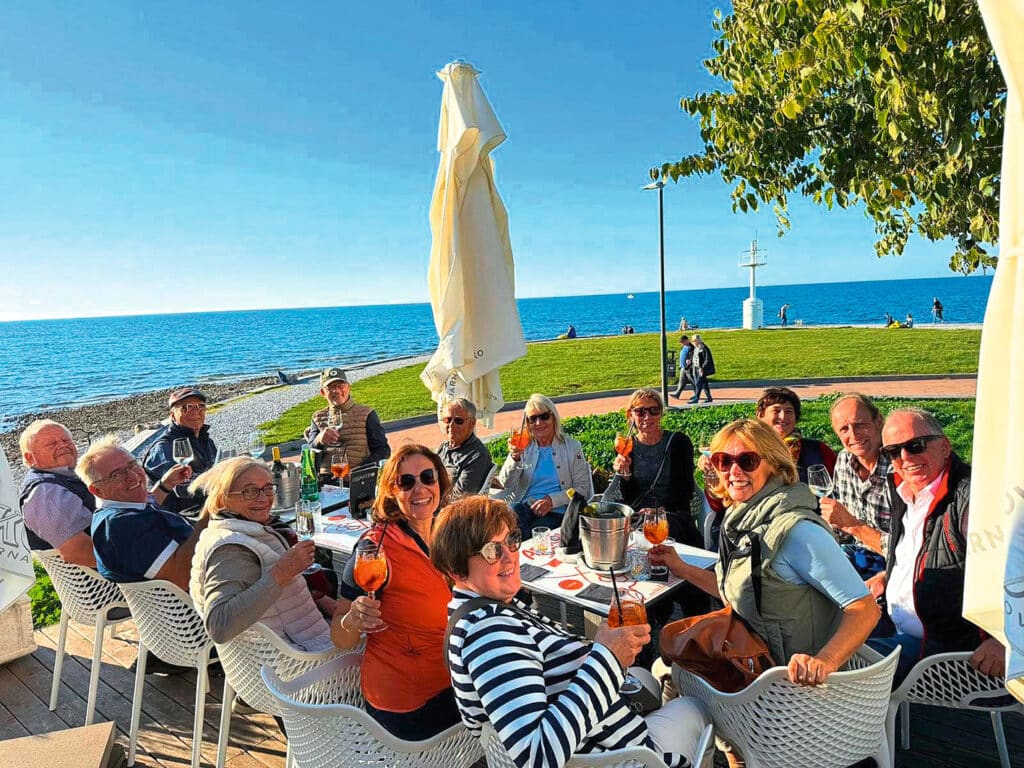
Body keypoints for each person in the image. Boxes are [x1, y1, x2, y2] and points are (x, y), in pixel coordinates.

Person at [433, 496, 710, 768]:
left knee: (643, 678)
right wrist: (608, 656)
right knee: (695, 708)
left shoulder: (481, 611)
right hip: (625, 757)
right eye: (492, 551)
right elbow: (537, 755)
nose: (510, 556)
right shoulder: (489, 634)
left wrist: (604, 652)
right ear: (457, 571)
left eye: (511, 540)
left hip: (602, 734)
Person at [650, 418, 880, 686]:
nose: (734, 471)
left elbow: (865, 608)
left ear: (774, 464)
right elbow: (735, 592)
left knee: (665, 675)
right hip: (755, 663)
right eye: (723, 461)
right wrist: (681, 567)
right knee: (668, 665)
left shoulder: (797, 531)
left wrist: (824, 661)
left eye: (747, 461)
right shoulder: (742, 517)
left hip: (791, 688)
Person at [330, 445, 459, 741]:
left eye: (427, 477)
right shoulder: (374, 548)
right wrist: (353, 619)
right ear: (391, 490)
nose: (420, 489)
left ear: (439, 482)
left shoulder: (447, 532)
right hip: (410, 703)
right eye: (406, 482)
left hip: (452, 676)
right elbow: (340, 638)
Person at [866, 408, 1005, 683]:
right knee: (826, 635)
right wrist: (889, 576)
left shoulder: (974, 498)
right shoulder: (903, 492)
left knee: (847, 668)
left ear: (944, 447)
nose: (905, 458)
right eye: (893, 452)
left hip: (952, 653)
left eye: (915, 445)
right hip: (901, 628)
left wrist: (1005, 637)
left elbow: (1014, 567)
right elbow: (926, 553)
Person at [188, 457, 332, 651]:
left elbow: (281, 600)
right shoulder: (230, 549)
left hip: (294, 641)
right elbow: (219, 626)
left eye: (267, 488)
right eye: (250, 491)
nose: (263, 498)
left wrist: (322, 600)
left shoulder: (248, 529)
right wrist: (282, 572)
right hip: (294, 657)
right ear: (223, 499)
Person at [77, 437, 201, 589]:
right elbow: (181, 577)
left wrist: (165, 485)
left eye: (133, 465)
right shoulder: (121, 526)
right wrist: (210, 514)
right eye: (117, 475)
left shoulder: (120, 510)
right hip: (205, 593)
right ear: (96, 490)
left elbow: (145, 504)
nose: (133, 476)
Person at [611, 389, 700, 547]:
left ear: (661, 413)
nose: (647, 417)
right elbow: (630, 497)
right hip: (639, 515)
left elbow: (685, 490)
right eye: (640, 412)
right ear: (630, 415)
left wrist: (658, 512)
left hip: (672, 514)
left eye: (654, 410)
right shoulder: (626, 446)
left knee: (652, 534)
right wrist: (625, 474)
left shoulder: (679, 442)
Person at [497, 394, 593, 536]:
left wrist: (552, 501)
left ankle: (521, 547)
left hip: (558, 511)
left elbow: (583, 489)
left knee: (537, 530)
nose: (538, 423)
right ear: (527, 423)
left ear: (553, 417)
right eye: (532, 419)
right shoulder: (523, 446)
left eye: (544, 417)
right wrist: (514, 458)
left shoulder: (572, 447)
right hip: (526, 507)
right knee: (512, 513)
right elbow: (506, 483)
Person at [820, 394, 891, 576]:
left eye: (860, 425)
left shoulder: (899, 467)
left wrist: (852, 525)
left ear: (878, 421)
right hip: (856, 554)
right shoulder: (844, 459)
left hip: (895, 564)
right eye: (844, 429)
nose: (853, 435)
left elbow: (911, 549)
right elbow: (840, 528)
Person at [18, 420, 96, 565]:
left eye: (66, 440)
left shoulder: (66, 477)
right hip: (112, 574)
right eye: (51, 444)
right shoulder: (45, 493)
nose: (62, 445)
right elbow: (79, 553)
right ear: (30, 458)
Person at [143, 387, 218, 516]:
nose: (195, 412)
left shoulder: (205, 440)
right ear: (172, 415)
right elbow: (183, 489)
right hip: (176, 516)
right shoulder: (164, 447)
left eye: (200, 407)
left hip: (206, 504)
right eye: (186, 408)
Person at [305, 367, 390, 474]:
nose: (336, 391)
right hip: (326, 478)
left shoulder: (367, 413)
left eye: (340, 386)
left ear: (348, 387)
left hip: (358, 477)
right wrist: (318, 440)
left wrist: (360, 471)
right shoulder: (317, 417)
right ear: (323, 392)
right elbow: (308, 456)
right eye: (330, 387)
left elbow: (383, 450)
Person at [754, 387, 836, 483]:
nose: (783, 416)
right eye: (776, 411)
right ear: (761, 415)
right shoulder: (749, 449)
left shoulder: (819, 450)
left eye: (788, 411)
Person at [436, 398, 493, 498]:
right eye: (447, 420)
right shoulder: (444, 447)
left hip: (449, 505)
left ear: (472, 422)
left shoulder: (477, 455)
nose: (451, 425)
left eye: (458, 421)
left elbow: (459, 497)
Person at [687, 334, 715, 404]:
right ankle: (709, 398)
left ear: (697, 340)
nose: (693, 342)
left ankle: (696, 398)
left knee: (698, 383)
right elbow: (695, 357)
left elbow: (707, 359)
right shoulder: (696, 348)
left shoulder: (704, 348)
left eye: (694, 340)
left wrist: (702, 368)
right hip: (696, 368)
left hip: (701, 369)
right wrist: (690, 361)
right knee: (704, 384)